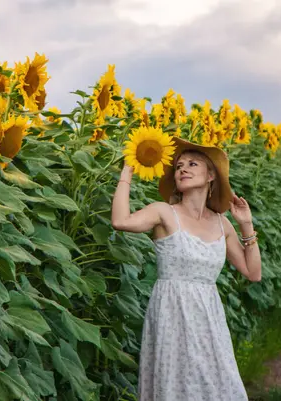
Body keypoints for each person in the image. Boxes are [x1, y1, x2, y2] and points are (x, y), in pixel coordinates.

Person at [111, 137, 262, 401]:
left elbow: (253, 273)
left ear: (211, 175)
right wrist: (128, 170)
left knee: (216, 383)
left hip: (208, 319)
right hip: (172, 313)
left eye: (193, 164)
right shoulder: (164, 212)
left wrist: (246, 226)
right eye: (179, 165)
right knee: (176, 385)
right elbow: (120, 221)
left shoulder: (221, 224)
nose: (183, 169)